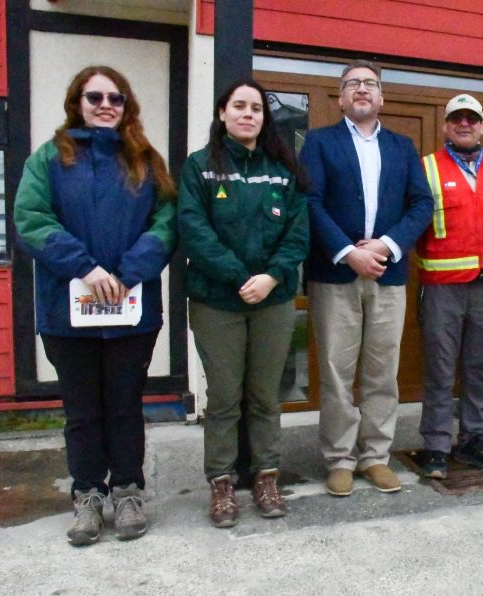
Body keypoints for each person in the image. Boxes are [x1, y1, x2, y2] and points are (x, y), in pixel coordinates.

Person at [13, 66, 176, 545]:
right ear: (77, 102)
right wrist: (85, 267)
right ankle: (87, 497)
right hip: (67, 314)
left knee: (125, 407)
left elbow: (166, 221)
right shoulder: (48, 159)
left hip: (131, 312)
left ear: (127, 106)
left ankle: (127, 493)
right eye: (95, 96)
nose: (106, 104)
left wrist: (128, 271)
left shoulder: (146, 161)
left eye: (116, 97)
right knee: (82, 411)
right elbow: (31, 218)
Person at [178, 80, 308, 526]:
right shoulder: (200, 168)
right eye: (239, 106)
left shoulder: (282, 168)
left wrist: (270, 277)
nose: (249, 114)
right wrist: (240, 278)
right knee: (224, 399)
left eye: (256, 108)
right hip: (217, 300)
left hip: (272, 299)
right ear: (223, 114)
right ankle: (222, 483)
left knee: (265, 395)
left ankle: (266, 474)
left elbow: (298, 234)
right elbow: (194, 230)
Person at [299, 60, 433, 496]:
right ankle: (340, 457)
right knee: (337, 371)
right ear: (340, 97)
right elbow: (311, 202)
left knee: (382, 371)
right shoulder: (319, 143)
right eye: (353, 84)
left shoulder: (402, 146)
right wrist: (348, 252)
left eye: (370, 84)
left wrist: (385, 247)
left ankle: (376, 455)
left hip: (389, 274)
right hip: (334, 274)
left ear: (381, 97)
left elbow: (421, 205)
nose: (362, 89)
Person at [416, 94, 483, 479]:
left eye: (472, 119)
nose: (465, 124)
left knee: (479, 368)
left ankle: (473, 438)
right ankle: (436, 446)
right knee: (439, 370)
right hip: (442, 287)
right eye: (457, 119)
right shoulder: (426, 168)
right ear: (445, 126)